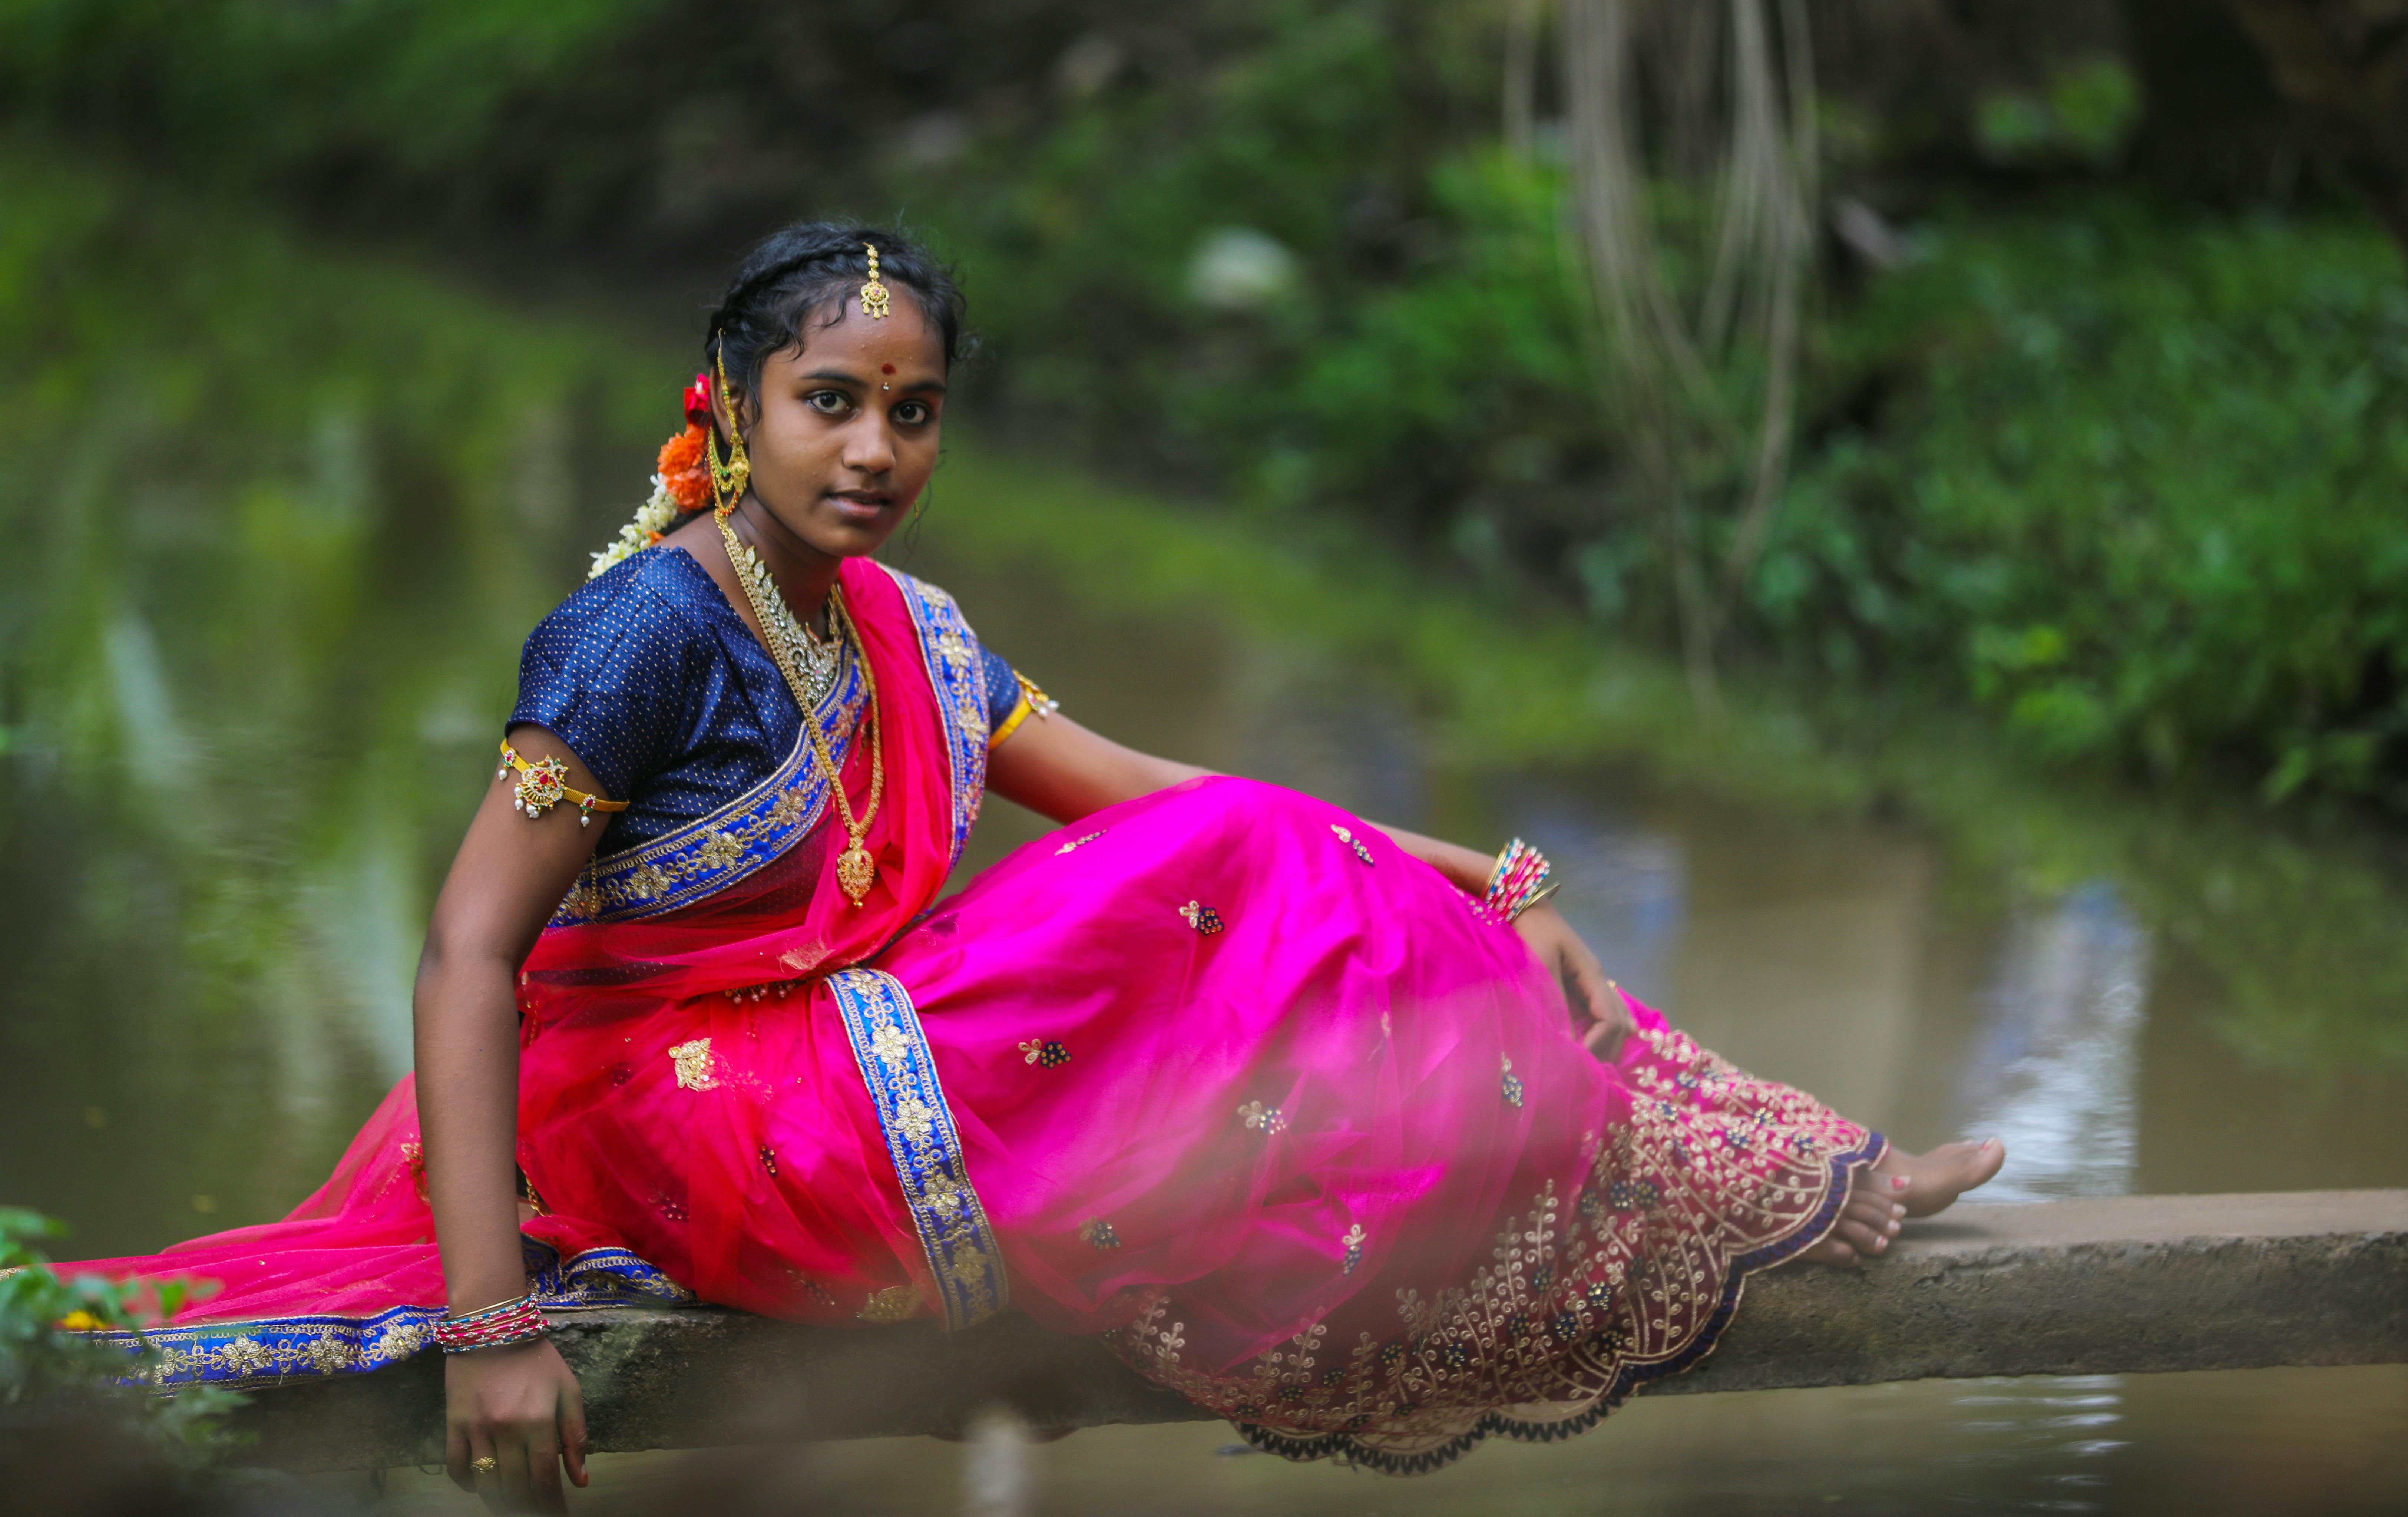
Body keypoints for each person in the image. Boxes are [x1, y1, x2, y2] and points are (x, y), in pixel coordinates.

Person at [58, 225, 2002, 1506]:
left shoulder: (904, 621)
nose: (877, 446)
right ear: (734, 415)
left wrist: (1493, 875)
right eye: (832, 403)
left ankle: (1751, 1170)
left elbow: (1156, 793)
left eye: (913, 412)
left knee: (1245, 867)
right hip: (690, 1115)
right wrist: (491, 1324)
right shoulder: (644, 635)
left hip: (830, 1066)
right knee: (1237, 895)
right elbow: (470, 956)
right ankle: (1691, 1190)